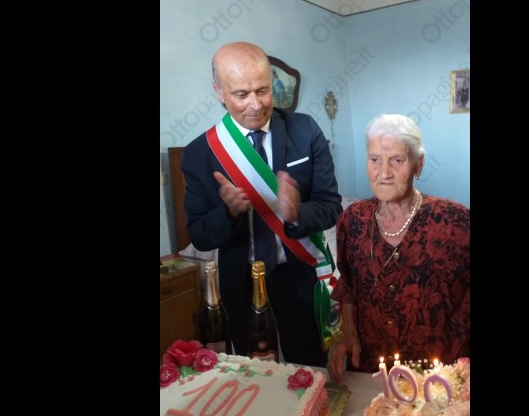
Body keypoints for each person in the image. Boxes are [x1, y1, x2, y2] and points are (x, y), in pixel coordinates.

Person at [181, 41, 342, 368]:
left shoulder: (305, 130)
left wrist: (296, 213)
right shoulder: (200, 153)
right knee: (253, 375)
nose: (255, 105)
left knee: (309, 370)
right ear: (219, 92)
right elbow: (199, 235)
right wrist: (228, 213)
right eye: (241, 94)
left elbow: (331, 206)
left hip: (299, 277)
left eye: (263, 90)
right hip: (241, 284)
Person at [327, 114, 470, 383]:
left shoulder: (456, 222)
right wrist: (348, 335)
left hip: (442, 381)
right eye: (374, 159)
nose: (384, 173)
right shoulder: (352, 220)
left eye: (397, 160)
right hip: (374, 374)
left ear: (419, 164)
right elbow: (348, 286)